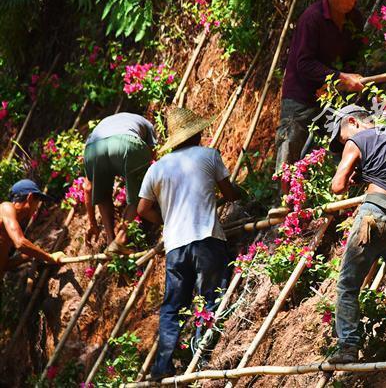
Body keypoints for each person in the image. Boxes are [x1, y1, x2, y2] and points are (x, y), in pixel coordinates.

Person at [137, 108, 239, 379]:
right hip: (207, 239)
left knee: (172, 306)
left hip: (175, 246)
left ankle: (162, 366)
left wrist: (166, 220)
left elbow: (143, 209)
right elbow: (229, 194)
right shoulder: (209, 155)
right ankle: (202, 360)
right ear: (196, 134)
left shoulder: (156, 169)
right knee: (211, 298)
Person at [326, 105, 386, 363]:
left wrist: (349, 178)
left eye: (342, 136)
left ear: (353, 122)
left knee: (348, 284)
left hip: (374, 214)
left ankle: (348, 347)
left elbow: (337, 186)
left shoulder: (357, 140)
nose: (344, 141)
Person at [276, 0, 368, 184]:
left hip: (333, 95)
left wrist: (345, 79)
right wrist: (340, 78)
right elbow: (304, 63)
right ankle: (283, 206)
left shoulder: (355, 19)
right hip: (301, 94)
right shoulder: (312, 19)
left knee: (336, 143)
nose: (353, 0)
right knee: (291, 145)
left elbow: (354, 57)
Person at [82, 112, 157, 253]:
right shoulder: (146, 124)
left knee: (103, 197)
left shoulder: (100, 127)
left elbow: (87, 188)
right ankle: (121, 238)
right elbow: (152, 160)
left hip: (93, 149)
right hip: (126, 143)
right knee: (141, 191)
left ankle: (111, 240)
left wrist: (92, 222)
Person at [1, 179, 64, 281]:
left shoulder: (8, 227)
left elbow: (4, 266)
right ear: (30, 198)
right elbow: (20, 243)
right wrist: (50, 257)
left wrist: (28, 255)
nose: (36, 208)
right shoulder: (6, 207)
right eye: (37, 202)